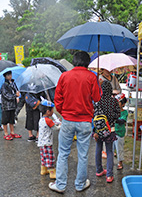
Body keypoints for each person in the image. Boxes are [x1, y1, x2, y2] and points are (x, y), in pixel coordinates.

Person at [49, 51, 101, 193]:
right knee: (83, 155)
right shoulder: (92, 77)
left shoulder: (64, 76)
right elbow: (97, 98)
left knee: (63, 153)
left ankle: (60, 185)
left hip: (68, 120)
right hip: (85, 121)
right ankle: (80, 184)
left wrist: (63, 112)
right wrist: (98, 84)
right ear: (87, 62)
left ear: (74, 61)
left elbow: (57, 99)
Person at [93, 81, 120, 183]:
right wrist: (111, 118)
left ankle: (99, 170)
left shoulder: (98, 101)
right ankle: (109, 175)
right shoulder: (114, 101)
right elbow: (118, 115)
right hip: (110, 129)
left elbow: (94, 115)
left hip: (99, 129)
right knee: (109, 152)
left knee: (98, 149)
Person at [38, 99, 60, 179]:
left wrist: (55, 122)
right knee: (50, 158)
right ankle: (52, 172)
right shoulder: (48, 120)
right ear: (48, 111)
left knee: (44, 157)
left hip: (41, 143)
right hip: (47, 143)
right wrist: (61, 125)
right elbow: (56, 128)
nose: (53, 112)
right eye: (52, 110)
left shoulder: (42, 119)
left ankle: (43, 170)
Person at [0, 70, 22, 141]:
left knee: (12, 119)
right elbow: (6, 95)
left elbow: (16, 91)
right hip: (6, 105)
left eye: (10, 74)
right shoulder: (4, 85)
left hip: (13, 105)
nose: (10, 76)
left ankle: (12, 132)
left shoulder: (13, 83)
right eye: (8, 75)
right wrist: (15, 95)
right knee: (5, 120)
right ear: (5, 77)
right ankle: (6, 133)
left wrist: (17, 94)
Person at [113, 93, 128, 170]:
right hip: (113, 132)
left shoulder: (124, 112)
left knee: (119, 149)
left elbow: (122, 121)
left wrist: (115, 119)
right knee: (111, 148)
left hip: (120, 133)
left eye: (118, 102)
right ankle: (112, 160)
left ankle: (120, 162)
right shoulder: (114, 111)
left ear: (123, 104)